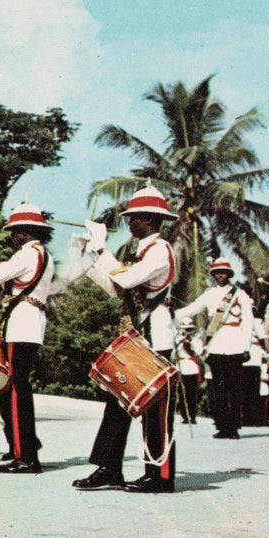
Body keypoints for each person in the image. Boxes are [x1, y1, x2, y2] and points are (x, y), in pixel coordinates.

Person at [69, 183, 178, 493]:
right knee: (118, 398)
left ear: (150, 218)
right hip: (135, 332)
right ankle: (109, 467)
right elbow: (117, 288)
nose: (130, 224)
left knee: (155, 407)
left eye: (135, 218)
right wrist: (91, 256)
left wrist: (103, 250)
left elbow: (127, 278)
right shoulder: (140, 252)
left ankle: (160, 474)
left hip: (155, 334)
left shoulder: (159, 250)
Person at [0, 203, 56, 474]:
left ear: (27, 232)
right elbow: (3, 271)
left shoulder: (28, 254)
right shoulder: (38, 254)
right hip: (27, 323)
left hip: (22, 324)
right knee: (14, 388)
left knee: (17, 389)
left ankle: (26, 456)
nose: (12, 236)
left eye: (15, 231)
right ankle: (25, 445)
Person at [175, 257, 254, 440]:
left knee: (234, 389)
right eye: (217, 272)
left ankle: (233, 427)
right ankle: (221, 426)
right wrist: (172, 315)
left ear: (229, 274)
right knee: (218, 389)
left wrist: (246, 345)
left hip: (234, 343)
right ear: (213, 275)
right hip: (215, 345)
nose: (220, 275)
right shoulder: (209, 294)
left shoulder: (239, 294)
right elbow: (193, 309)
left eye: (223, 272)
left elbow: (248, 321)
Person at [172, 317, 204, 424]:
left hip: (192, 367)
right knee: (182, 393)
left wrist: (190, 342)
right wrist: (180, 342)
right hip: (181, 367)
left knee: (193, 393)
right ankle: (185, 416)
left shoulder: (196, 340)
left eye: (189, 329)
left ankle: (193, 415)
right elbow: (172, 355)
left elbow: (198, 352)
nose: (187, 331)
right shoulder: (177, 340)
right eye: (185, 329)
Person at [240, 318, 267, 427]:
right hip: (243, 361)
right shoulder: (240, 322)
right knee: (243, 391)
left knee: (254, 392)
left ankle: (254, 418)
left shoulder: (257, 323)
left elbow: (263, 339)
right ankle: (245, 418)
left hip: (255, 360)